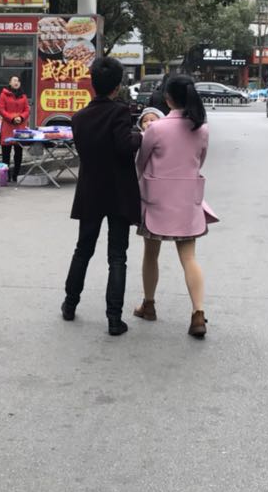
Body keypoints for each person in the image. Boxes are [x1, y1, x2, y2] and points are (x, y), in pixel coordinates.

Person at [62, 57, 141, 337]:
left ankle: (70, 304)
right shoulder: (120, 112)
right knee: (117, 255)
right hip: (118, 192)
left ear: (92, 84)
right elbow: (124, 146)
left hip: (91, 190)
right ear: (117, 86)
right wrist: (139, 136)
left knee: (83, 249)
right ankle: (114, 319)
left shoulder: (79, 118)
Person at [133, 75, 216, 337]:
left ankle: (149, 305)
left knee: (151, 253)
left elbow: (141, 162)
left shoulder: (156, 129)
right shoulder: (201, 129)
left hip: (156, 199)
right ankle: (198, 313)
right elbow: (199, 161)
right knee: (189, 258)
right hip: (188, 198)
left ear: (167, 98)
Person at [0, 75, 31, 182]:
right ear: (10, 83)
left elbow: (27, 110)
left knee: (18, 153)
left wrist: (21, 117)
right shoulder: (3, 95)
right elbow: (1, 110)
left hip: (20, 127)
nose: (17, 82)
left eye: (18, 81)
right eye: (15, 80)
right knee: (6, 154)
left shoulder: (23, 96)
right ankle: (6, 176)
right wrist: (12, 118)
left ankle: (16, 175)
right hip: (8, 126)